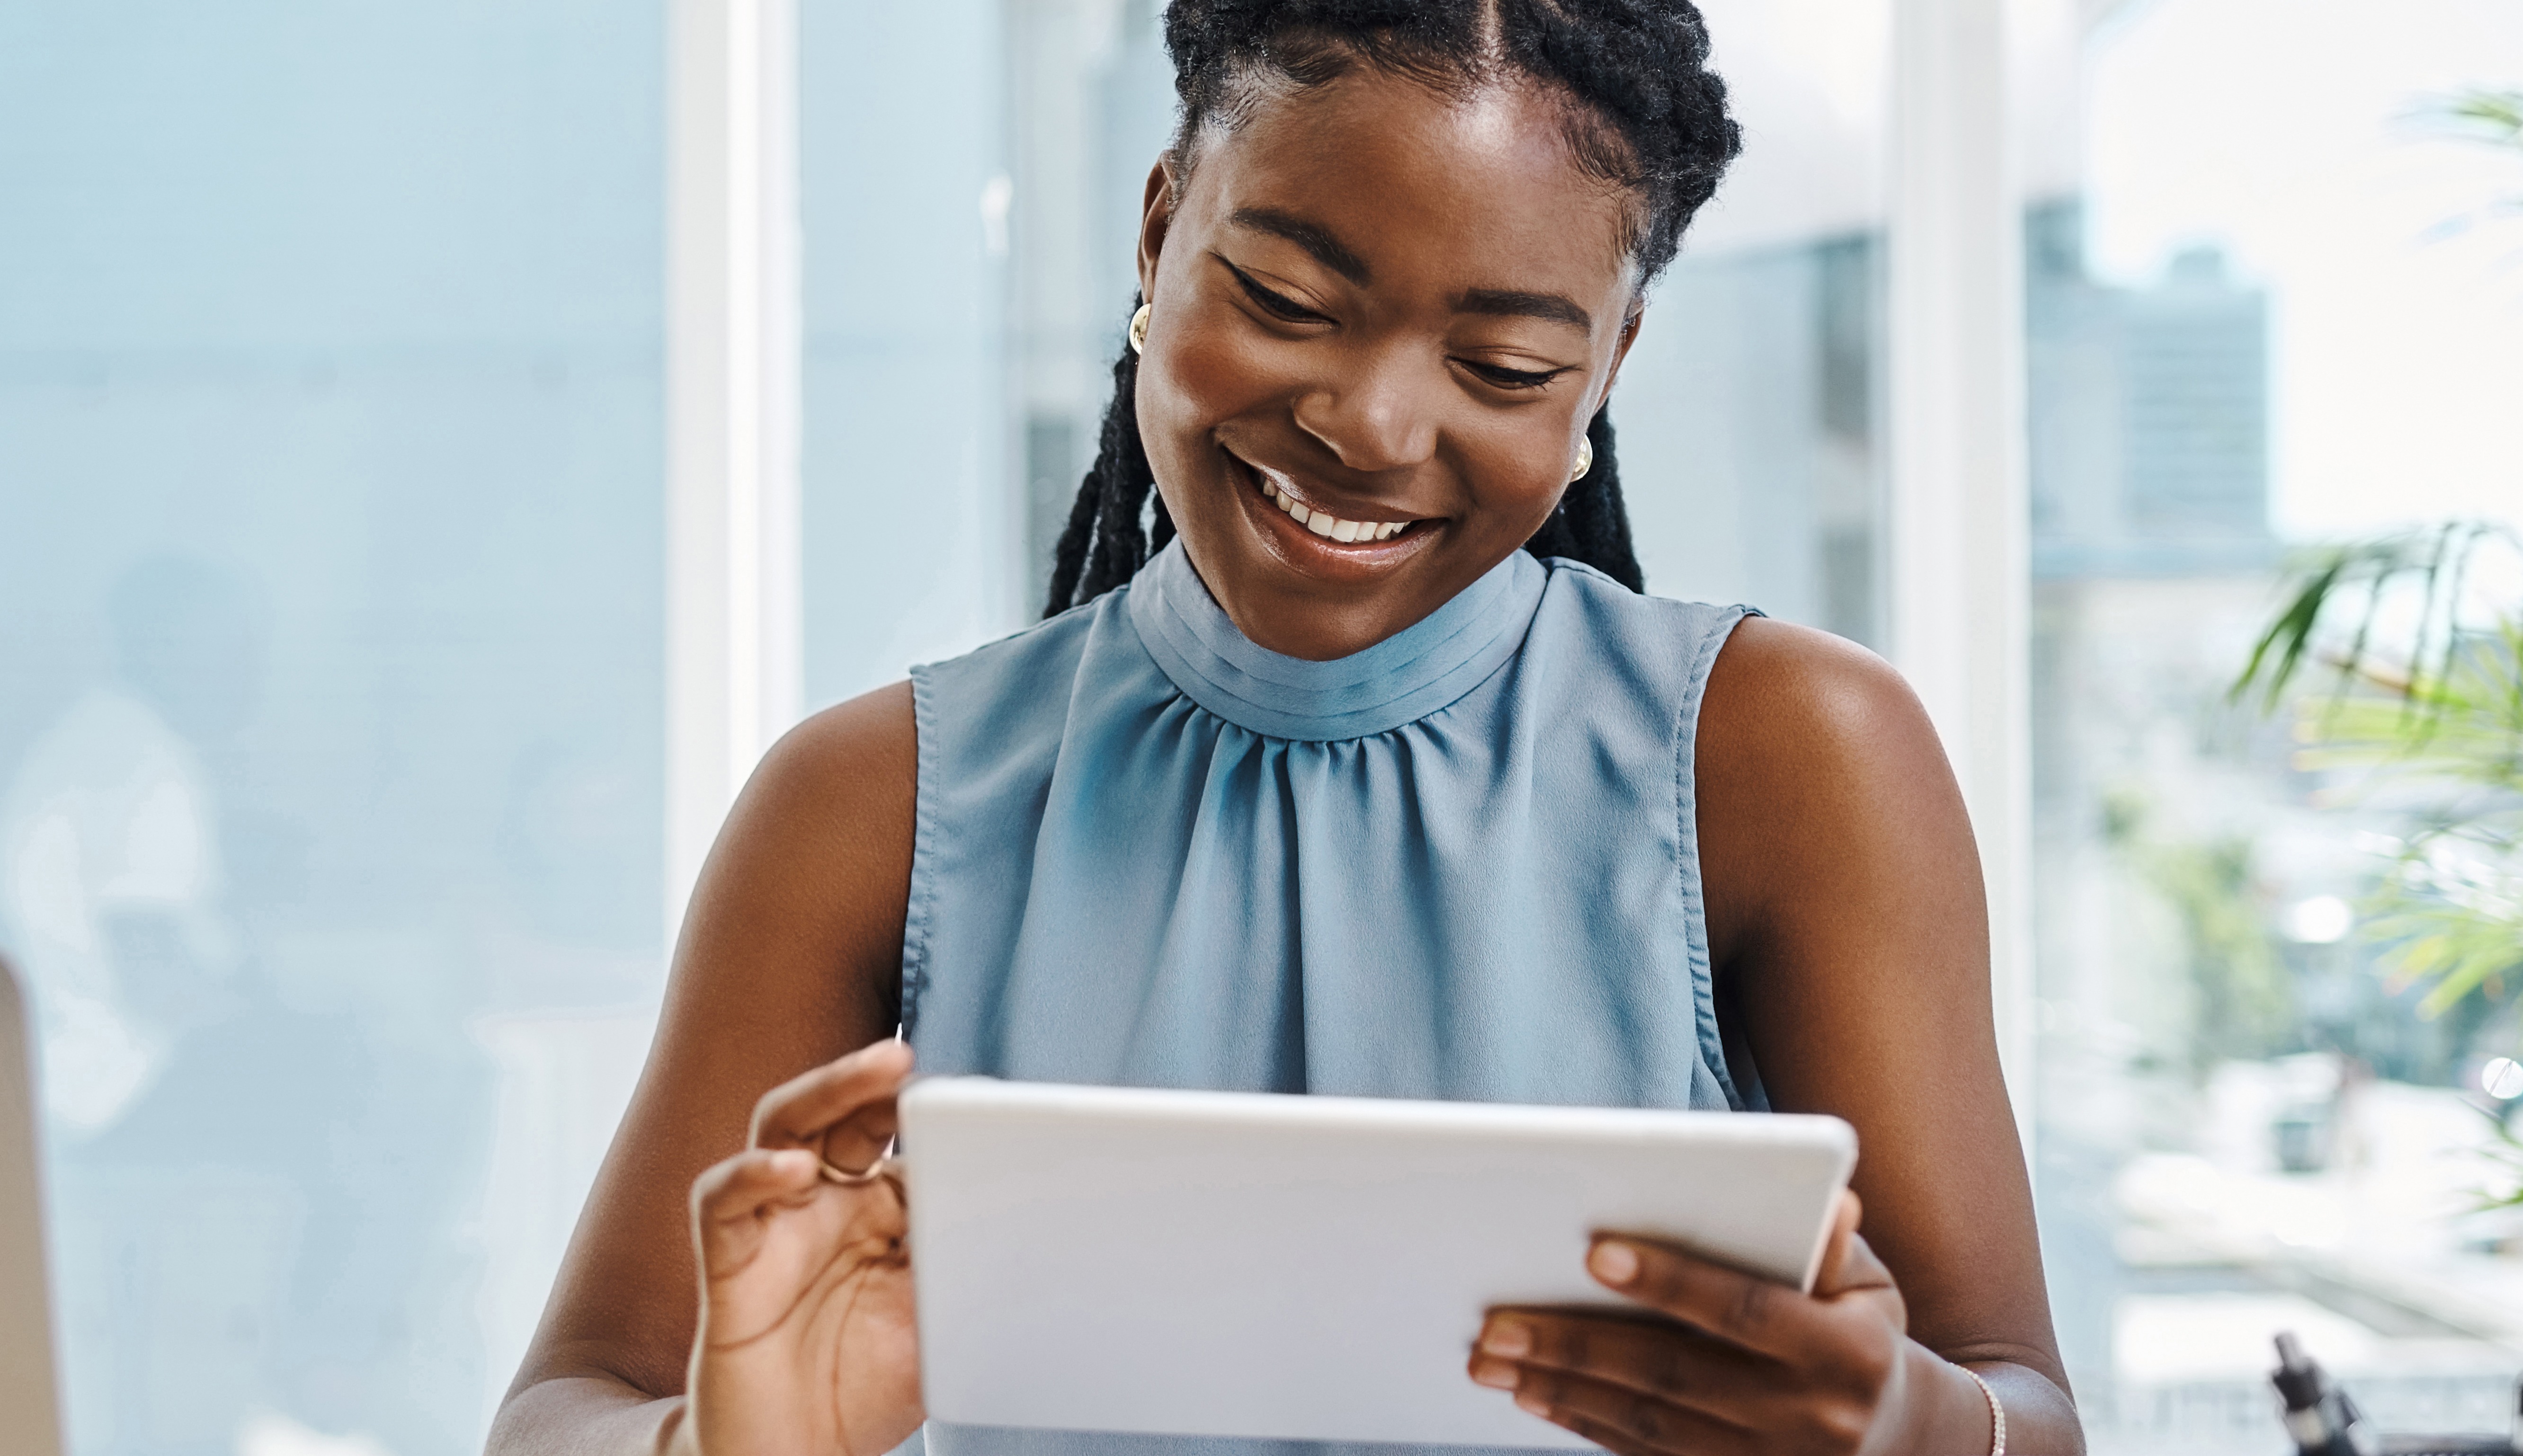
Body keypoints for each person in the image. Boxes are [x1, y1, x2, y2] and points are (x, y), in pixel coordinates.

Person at [489, 2, 2075, 1452]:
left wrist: (1916, 1427)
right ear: (1162, 225)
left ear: (1608, 365)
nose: (1372, 426)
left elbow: (2025, 1403)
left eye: (1503, 362)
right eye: (1287, 296)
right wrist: (723, 1440)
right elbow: (565, 1412)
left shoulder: (1787, 755)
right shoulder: (871, 803)